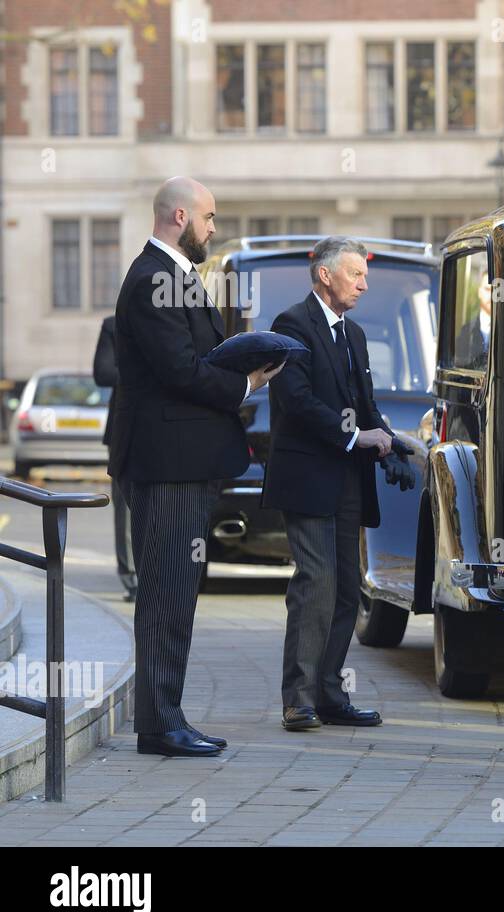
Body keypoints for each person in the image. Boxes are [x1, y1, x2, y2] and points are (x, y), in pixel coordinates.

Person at [112, 176, 284, 757]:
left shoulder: (176, 278)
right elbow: (182, 371)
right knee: (165, 593)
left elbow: (194, 359)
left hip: (186, 464)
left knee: (179, 591)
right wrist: (245, 382)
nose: (214, 229)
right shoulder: (152, 279)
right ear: (178, 215)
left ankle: (167, 718)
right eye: (208, 218)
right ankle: (160, 726)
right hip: (166, 468)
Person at [263, 236, 400, 731]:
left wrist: (389, 441)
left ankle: (328, 694)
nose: (364, 283)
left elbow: (364, 404)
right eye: (355, 274)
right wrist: (355, 437)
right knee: (316, 583)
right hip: (307, 478)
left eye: (364, 274)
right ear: (325, 275)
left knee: (346, 590)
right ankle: (297, 700)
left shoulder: (355, 334)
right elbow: (297, 403)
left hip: (347, 481)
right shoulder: (292, 325)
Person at [93, 314, 136, 603]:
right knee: (126, 507)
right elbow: (103, 372)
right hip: (125, 425)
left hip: (168, 426)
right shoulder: (114, 324)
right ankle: (132, 578)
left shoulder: (176, 317)